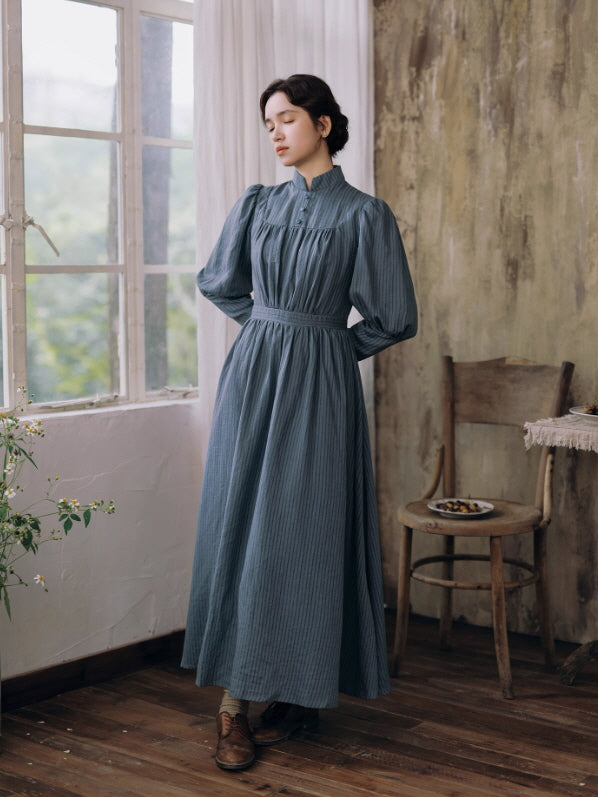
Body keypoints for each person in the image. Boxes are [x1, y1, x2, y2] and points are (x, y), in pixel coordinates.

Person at [181, 74, 417, 771]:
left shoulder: (365, 215)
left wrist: (329, 345)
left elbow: (394, 316)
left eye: (286, 119)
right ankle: (233, 707)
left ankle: (298, 688)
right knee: (243, 524)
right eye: (268, 124)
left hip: (320, 385)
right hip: (254, 377)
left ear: (322, 123)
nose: (277, 133)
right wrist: (274, 331)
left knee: (304, 533)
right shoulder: (256, 205)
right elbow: (220, 281)